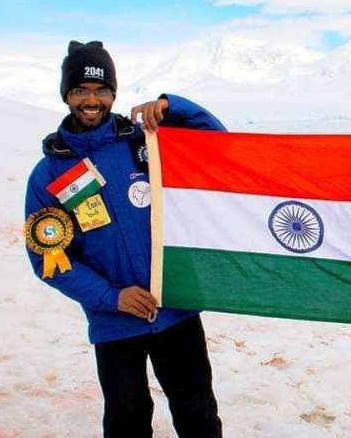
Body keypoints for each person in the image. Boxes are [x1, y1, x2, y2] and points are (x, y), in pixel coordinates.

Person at [24, 40, 224, 438]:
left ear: (113, 93)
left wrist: (173, 107)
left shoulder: (147, 141)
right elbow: (49, 260)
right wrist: (112, 297)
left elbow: (218, 144)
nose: (91, 100)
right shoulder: (48, 175)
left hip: (176, 306)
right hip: (114, 322)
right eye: (80, 90)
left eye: (101, 90)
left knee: (197, 413)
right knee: (126, 420)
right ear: (66, 95)